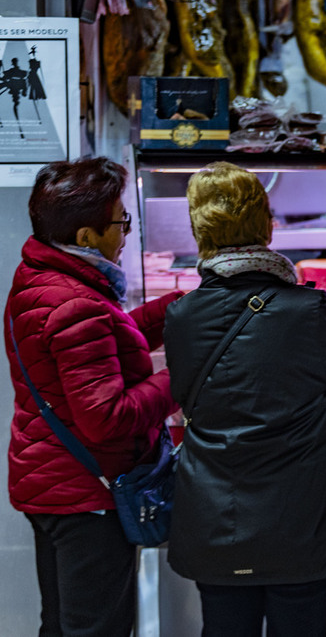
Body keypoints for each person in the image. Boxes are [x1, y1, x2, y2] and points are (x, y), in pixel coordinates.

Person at [163, 162, 326, 637]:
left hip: (217, 517)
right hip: (303, 522)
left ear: (200, 228)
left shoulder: (181, 316)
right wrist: (308, 424)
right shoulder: (308, 310)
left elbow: (188, 400)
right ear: (266, 223)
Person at [4, 156, 181, 636]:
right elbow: (107, 415)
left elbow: (109, 338)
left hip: (53, 482)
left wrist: (179, 311)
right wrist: (184, 376)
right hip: (86, 495)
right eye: (120, 222)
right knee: (95, 628)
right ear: (86, 237)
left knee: (62, 624)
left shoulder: (42, 278)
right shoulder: (75, 301)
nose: (125, 233)